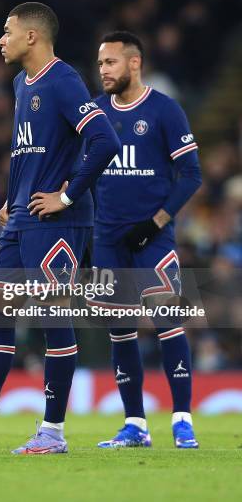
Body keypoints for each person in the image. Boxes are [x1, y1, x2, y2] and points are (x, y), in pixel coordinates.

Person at [0, 2, 120, 455]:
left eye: (7, 32)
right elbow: (33, 149)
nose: (1, 40)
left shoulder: (64, 80)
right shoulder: (19, 82)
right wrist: (14, 196)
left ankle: (53, 432)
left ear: (32, 36)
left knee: (52, 315)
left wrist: (66, 196)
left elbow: (105, 138)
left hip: (59, 219)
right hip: (23, 216)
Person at [91, 31, 202, 449]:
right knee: (120, 330)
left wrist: (155, 223)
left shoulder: (164, 110)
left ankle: (182, 420)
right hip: (107, 240)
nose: (103, 70)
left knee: (167, 324)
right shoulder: (95, 113)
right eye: (100, 63)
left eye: (110, 63)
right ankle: (135, 424)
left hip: (152, 239)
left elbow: (191, 175)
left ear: (134, 64)